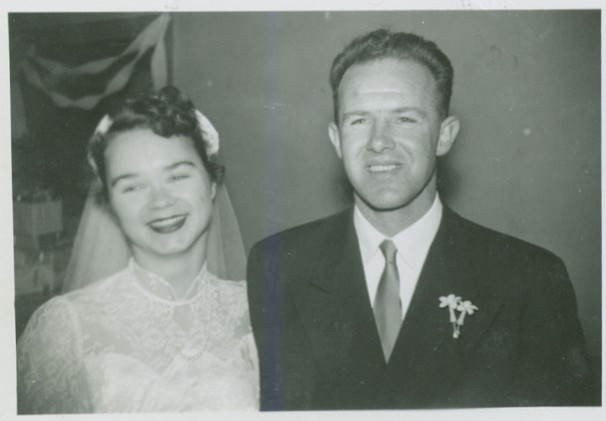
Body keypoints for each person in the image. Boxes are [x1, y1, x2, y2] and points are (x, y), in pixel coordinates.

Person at [246, 29, 593, 410]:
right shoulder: (279, 265)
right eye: (359, 121)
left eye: (405, 119)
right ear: (336, 139)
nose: (379, 141)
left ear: (444, 136)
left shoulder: (528, 278)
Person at [17, 86, 258, 413]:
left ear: (213, 182)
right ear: (109, 205)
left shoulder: (261, 310)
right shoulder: (64, 327)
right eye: (132, 186)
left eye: (177, 176)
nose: (160, 201)